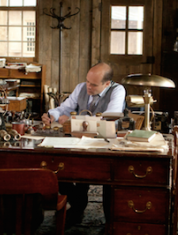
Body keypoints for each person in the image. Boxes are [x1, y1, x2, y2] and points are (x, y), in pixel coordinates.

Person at [42, 62, 126, 226]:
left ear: (107, 84)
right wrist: (52, 115)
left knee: (99, 174)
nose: (88, 86)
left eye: (93, 84)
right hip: (78, 140)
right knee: (57, 166)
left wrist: (72, 120)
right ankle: (78, 203)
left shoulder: (117, 90)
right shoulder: (81, 87)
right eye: (87, 81)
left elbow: (109, 120)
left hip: (103, 143)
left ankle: (102, 217)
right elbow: (64, 108)